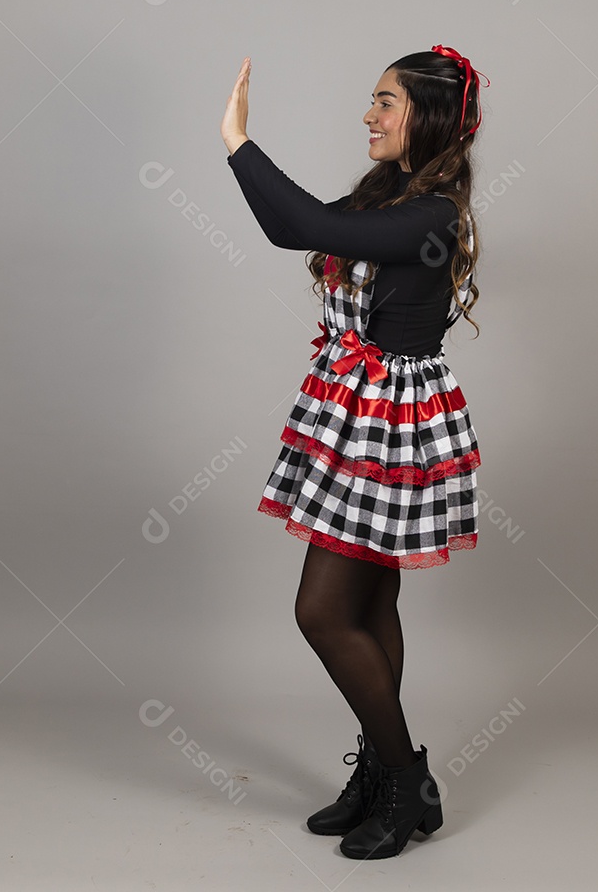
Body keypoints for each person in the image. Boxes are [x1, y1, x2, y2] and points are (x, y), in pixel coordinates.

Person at [220, 45, 489, 860]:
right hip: (355, 415)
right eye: (369, 101)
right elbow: (287, 225)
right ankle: (387, 778)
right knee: (369, 609)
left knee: (322, 612)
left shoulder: (435, 213)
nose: (367, 115)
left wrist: (237, 138)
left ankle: (405, 781)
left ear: (429, 115)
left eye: (384, 101)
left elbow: (309, 227)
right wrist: (245, 155)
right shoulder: (391, 195)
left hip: (389, 427)